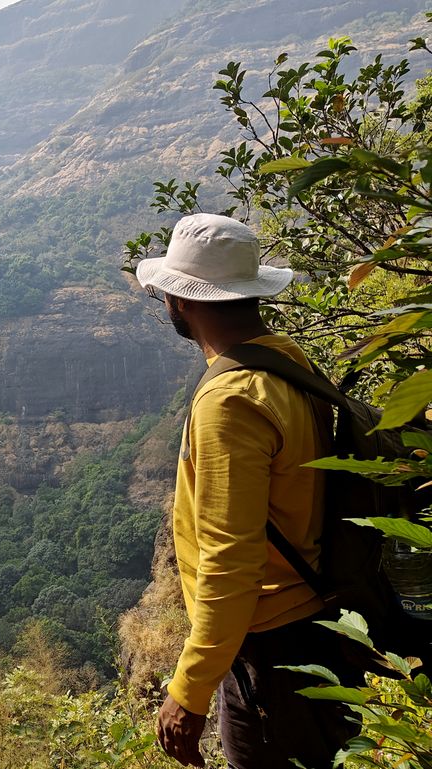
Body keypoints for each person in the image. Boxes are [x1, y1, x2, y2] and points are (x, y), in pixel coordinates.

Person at [134, 213, 362, 768]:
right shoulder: (284, 363)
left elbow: (231, 560)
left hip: (272, 647)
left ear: (180, 301)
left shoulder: (229, 403)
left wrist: (189, 690)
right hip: (318, 620)